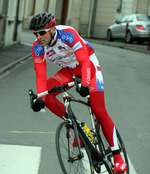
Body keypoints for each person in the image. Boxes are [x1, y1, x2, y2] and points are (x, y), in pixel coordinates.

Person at [30, 12, 127, 173]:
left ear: (52, 28)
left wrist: (85, 84)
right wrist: (40, 97)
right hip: (69, 70)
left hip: (88, 65)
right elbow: (41, 77)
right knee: (47, 96)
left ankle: (118, 157)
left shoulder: (67, 34)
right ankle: (78, 127)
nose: (39, 37)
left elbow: (84, 61)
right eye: (36, 33)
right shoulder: (37, 48)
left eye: (42, 32)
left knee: (99, 109)